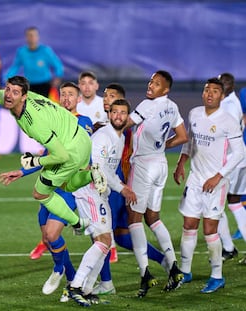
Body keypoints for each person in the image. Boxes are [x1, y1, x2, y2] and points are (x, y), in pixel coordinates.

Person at [0, 75, 107, 234]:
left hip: (70, 150)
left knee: (40, 193)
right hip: (82, 140)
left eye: (14, 92)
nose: (8, 95)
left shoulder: (34, 123)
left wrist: (35, 161)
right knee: (67, 185)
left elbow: (61, 156)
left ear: (24, 97)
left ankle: (78, 224)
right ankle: (91, 175)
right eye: (7, 89)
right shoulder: (19, 97)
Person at [0, 81, 93, 298]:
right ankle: (72, 281)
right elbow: (46, 156)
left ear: (79, 99)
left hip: (67, 187)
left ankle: (60, 270)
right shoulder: (53, 119)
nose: (66, 98)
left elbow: (83, 155)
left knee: (51, 233)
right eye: (63, 94)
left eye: (71, 95)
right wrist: (22, 172)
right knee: (48, 238)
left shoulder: (83, 122)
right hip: (49, 185)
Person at [90, 84, 167, 298]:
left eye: (113, 97)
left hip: (115, 187)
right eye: (105, 96)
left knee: (100, 236)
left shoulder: (119, 128)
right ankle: (165, 261)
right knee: (122, 237)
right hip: (119, 184)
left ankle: (105, 283)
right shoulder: (106, 126)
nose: (107, 99)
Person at [173, 77, 245, 293]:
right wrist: (181, 162)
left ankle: (217, 276)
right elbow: (191, 142)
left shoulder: (229, 120)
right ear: (203, 93)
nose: (210, 94)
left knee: (210, 230)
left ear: (222, 96)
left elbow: (240, 152)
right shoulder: (194, 114)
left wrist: (218, 176)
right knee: (188, 225)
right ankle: (185, 271)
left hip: (217, 183)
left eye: (215, 91)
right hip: (195, 179)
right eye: (207, 90)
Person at [68, 98, 137, 307]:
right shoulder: (103, 137)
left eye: (123, 113)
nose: (118, 116)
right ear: (109, 114)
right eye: (115, 112)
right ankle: (76, 286)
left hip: (100, 192)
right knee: (103, 241)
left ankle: (87, 289)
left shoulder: (120, 137)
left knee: (105, 243)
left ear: (127, 116)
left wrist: (121, 187)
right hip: (90, 191)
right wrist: (122, 188)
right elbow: (98, 167)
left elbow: (109, 170)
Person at [125, 70, 188, 297]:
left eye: (157, 84)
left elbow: (124, 124)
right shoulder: (172, 107)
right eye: (151, 81)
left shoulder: (147, 105)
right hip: (160, 163)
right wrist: (162, 145)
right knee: (153, 218)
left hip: (143, 165)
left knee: (134, 218)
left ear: (166, 89)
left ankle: (145, 274)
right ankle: (173, 267)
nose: (151, 86)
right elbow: (182, 136)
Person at [215, 73, 246, 262]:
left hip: (231, 161)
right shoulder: (232, 102)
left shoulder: (228, 106)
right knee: (234, 203)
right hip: (236, 160)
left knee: (213, 203)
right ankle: (228, 247)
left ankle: (227, 246)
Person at [6, 26, 63, 97]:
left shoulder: (45, 50)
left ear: (38, 37)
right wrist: (7, 78)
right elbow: (15, 67)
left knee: (44, 107)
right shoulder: (22, 52)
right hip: (30, 85)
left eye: (34, 35)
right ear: (26, 38)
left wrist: (58, 76)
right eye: (29, 35)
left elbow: (57, 65)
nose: (32, 38)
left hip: (45, 85)